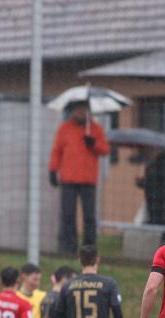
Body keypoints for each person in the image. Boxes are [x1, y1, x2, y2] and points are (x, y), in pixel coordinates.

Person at [49, 101, 109, 254]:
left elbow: (105, 150)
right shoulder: (65, 128)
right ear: (74, 111)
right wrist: (52, 170)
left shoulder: (95, 129)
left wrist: (93, 144)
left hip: (88, 179)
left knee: (89, 216)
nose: (81, 113)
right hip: (68, 178)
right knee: (68, 214)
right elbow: (57, 151)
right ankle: (67, 247)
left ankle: (89, 249)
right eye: (79, 110)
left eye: (84, 110)